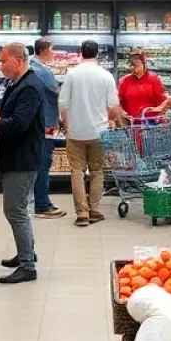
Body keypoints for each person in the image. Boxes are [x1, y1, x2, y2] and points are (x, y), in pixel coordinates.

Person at [0, 42, 45, 284]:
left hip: (22, 159)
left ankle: (27, 266)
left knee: (15, 210)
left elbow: (19, 123)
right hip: (15, 156)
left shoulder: (30, 87)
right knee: (19, 208)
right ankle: (26, 252)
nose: (0, 66)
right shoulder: (19, 84)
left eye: (3, 61)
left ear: (18, 60)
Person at [59, 40, 122, 227]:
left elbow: (62, 104)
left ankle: (81, 214)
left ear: (81, 53)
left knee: (77, 172)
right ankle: (94, 209)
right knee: (97, 172)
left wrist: (66, 124)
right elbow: (114, 106)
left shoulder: (72, 75)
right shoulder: (105, 75)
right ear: (97, 54)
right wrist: (110, 119)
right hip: (99, 132)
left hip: (76, 132)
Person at [30, 39, 66, 219]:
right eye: (51, 50)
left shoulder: (30, 66)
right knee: (43, 164)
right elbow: (55, 92)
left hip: (35, 123)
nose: (53, 53)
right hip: (44, 124)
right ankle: (42, 204)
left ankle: (39, 201)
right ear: (43, 50)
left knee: (37, 164)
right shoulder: (42, 71)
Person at [117, 51, 166, 119]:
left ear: (143, 63)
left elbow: (163, 101)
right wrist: (121, 111)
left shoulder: (154, 79)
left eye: (136, 61)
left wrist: (159, 109)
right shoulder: (125, 80)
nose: (133, 66)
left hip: (150, 122)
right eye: (131, 64)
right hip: (130, 122)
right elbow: (117, 100)